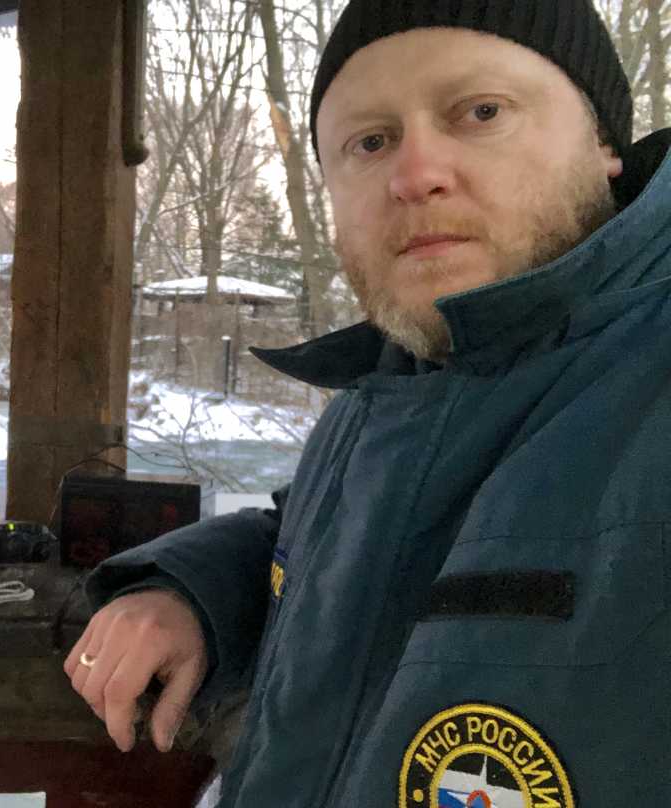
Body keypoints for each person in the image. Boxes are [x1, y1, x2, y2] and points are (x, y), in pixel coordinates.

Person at [64, 1, 671, 804]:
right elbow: (333, 537)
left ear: (603, 143)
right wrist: (195, 596)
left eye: (480, 112)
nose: (414, 175)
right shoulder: (388, 391)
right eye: (370, 142)